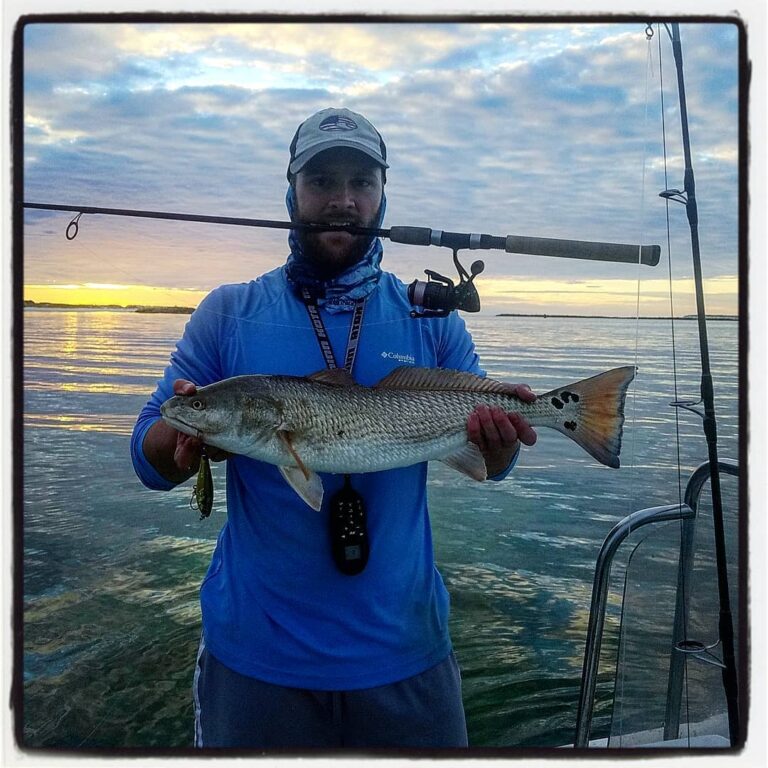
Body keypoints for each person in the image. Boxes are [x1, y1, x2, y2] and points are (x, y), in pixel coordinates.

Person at [131, 107, 537, 749]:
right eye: (321, 182)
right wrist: (184, 438)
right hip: (255, 661)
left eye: (361, 181)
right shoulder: (228, 313)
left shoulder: (432, 323)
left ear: (382, 195)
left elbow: (494, 464)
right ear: (290, 193)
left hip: (407, 652)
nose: (342, 200)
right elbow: (148, 458)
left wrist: (502, 439)